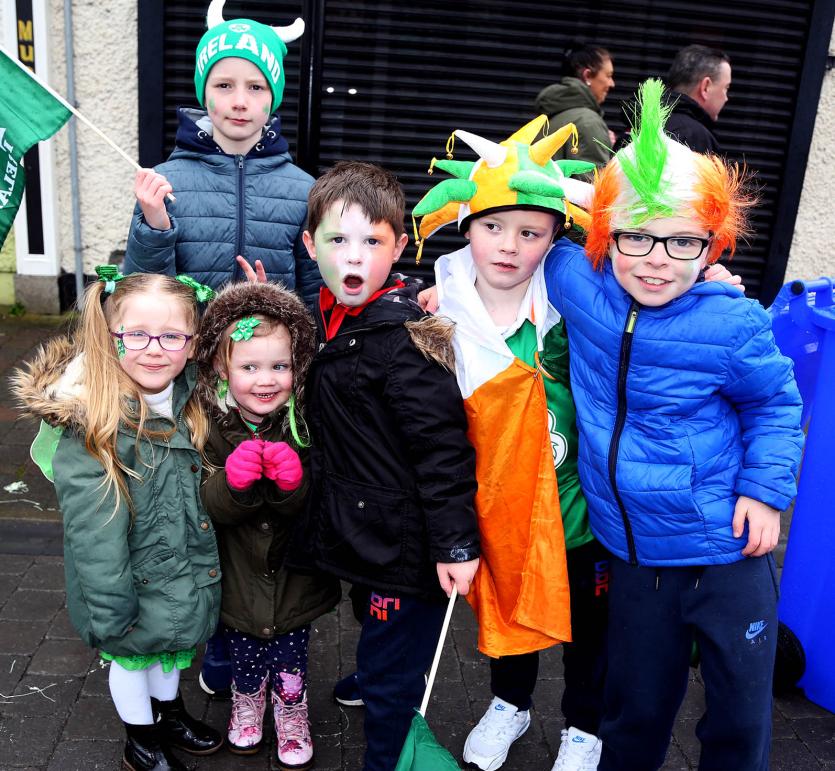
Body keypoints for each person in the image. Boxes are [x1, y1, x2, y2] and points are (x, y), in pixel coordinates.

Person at [542, 79, 804, 770]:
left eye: (682, 241)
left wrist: (763, 492)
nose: (657, 258)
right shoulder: (578, 282)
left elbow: (775, 405)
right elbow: (519, 227)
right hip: (635, 555)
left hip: (726, 550)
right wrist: (447, 287)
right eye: (637, 235)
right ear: (605, 234)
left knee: (738, 715)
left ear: (711, 244)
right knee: (633, 710)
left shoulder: (731, 322)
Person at [412, 117, 608, 771]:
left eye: (530, 232)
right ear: (466, 224)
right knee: (507, 613)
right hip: (499, 508)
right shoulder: (441, 314)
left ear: (555, 238)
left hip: (577, 512)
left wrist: (709, 277)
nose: (507, 245)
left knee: (590, 630)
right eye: (493, 226)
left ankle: (584, 725)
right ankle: (509, 702)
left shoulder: (573, 307)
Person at [289, 160, 480, 771]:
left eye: (372, 242)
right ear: (310, 244)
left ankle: (386, 749)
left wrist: (455, 545)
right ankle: (377, 671)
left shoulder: (406, 342)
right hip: (365, 526)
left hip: (407, 547)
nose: (354, 256)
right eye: (337, 239)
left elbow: (443, 449)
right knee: (373, 630)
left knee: (392, 678)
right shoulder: (326, 315)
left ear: (398, 248)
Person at [13, 269, 224, 771]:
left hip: (175, 570)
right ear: (111, 338)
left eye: (172, 336)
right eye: (137, 335)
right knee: (133, 660)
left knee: (170, 649)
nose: (154, 349)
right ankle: (141, 739)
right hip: (127, 581)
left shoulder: (188, 401)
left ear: (193, 343)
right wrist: (110, 606)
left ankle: (168, 714)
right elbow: (93, 533)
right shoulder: (94, 423)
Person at [194, 281, 341, 768]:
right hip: (236, 574)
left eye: (280, 366)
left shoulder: (306, 421)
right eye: (249, 367)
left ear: (298, 367)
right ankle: (248, 701)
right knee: (244, 651)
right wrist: (231, 485)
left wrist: (293, 483)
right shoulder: (208, 424)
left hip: (294, 576)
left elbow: (318, 502)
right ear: (222, 368)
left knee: (291, 652)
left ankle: (292, 710)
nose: (266, 380)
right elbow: (205, 506)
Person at [124, 2, 321, 304]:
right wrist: (154, 228)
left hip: (272, 338)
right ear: (204, 93)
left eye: (256, 87)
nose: (240, 101)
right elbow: (140, 295)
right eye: (224, 85)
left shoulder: (305, 191)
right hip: (190, 338)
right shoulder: (163, 185)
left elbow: (316, 298)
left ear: (274, 96)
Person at [535, 44, 615, 168]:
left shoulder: (551, 115)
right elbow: (593, 178)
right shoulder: (588, 122)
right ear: (587, 75)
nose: (612, 84)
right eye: (608, 76)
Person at [664, 44, 731, 154]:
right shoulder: (696, 137)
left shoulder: (643, 121)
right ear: (705, 87)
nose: (726, 98)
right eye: (726, 88)